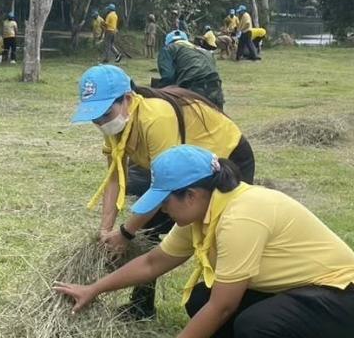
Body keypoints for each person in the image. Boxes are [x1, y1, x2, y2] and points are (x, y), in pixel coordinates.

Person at [54, 145, 354, 338]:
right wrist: (94, 288)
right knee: (199, 299)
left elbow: (224, 306)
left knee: (253, 324)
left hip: (346, 299)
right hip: (299, 290)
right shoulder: (203, 212)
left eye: (165, 202)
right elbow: (154, 263)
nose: (162, 210)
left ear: (191, 195)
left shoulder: (241, 216)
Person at [72, 64, 255, 321]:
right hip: (179, 171)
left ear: (126, 99)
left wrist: (125, 233)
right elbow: (114, 178)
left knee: (217, 230)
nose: (100, 122)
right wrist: (106, 231)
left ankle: (229, 306)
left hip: (225, 158)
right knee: (148, 229)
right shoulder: (115, 127)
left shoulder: (156, 118)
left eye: (105, 113)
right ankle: (142, 306)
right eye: (95, 117)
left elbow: (167, 184)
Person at [155, 30, 225, 109]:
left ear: (168, 42)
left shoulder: (168, 49)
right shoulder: (204, 52)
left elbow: (168, 78)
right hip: (216, 90)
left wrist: (157, 93)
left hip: (193, 90)